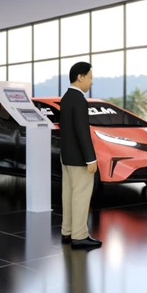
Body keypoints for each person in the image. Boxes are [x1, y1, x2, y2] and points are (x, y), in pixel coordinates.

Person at [60, 61, 101, 249]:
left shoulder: (66, 98)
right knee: (81, 195)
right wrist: (91, 159)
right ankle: (79, 235)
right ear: (80, 77)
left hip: (66, 156)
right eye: (90, 78)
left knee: (68, 193)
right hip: (78, 159)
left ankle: (67, 231)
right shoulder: (79, 100)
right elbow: (82, 132)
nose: (91, 82)